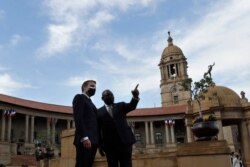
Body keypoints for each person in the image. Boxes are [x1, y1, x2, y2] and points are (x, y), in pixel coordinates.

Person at [98, 84, 140, 167]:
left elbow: (132, 106)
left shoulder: (121, 105)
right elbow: (98, 130)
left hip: (125, 143)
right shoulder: (98, 112)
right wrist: (100, 146)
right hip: (109, 146)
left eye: (112, 95)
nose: (111, 96)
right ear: (102, 98)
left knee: (127, 165)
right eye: (108, 95)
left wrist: (135, 96)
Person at [72, 80, 99, 167]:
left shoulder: (90, 102)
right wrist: (85, 137)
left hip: (93, 140)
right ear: (84, 87)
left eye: (95, 87)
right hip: (85, 140)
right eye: (92, 86)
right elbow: (78, 118)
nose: (94, 88)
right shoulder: (79, 97)